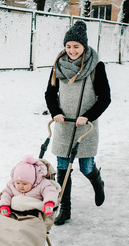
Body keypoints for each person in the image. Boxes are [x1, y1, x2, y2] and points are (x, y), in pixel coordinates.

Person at [44, 20, 111, 225]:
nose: (72, 50)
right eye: (68, 46)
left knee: (86, 166)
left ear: (84, 46)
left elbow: (105, 97)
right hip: (64, 125)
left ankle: (97, 182)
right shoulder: (58, 66)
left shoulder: (95, 67)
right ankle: (65, 210)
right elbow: (50, 93)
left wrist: (88, 116)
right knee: (63, 169)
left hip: (85, 127)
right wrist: (55, 112)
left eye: (76, 46)